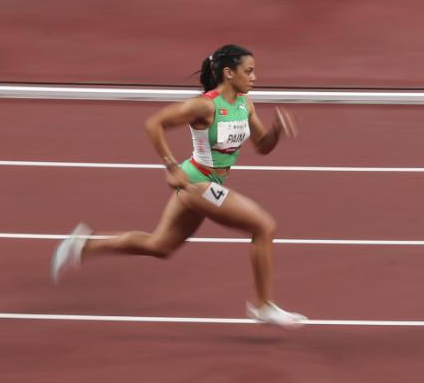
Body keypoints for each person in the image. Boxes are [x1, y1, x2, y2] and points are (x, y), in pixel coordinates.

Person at [52, 44, 308, 329]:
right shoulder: (204, 106)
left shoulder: (245, 105)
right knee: (264, 226)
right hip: (196, 183)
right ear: (228, 72)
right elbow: (154, 124)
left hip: (206, 184)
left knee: (159, 246)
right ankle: (262, 306)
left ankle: (84, 244)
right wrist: (171, 166)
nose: (254, 77)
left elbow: (262, 147)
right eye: (248, 71)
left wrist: (275, 132)